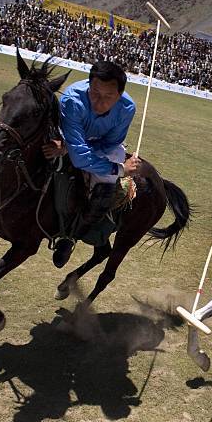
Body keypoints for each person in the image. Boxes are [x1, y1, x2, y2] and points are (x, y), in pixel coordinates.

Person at [42, 61, 141, 268]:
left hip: (96, 146)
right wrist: (121, 169)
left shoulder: (127, 107)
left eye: (108, 97)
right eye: (94, 93)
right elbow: (78, 157)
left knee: (107, 180)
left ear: (120, 94)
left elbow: (110, 143)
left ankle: (72, 236)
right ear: (88, 85)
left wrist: (115, 168)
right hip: (68, 139)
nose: (98, 102)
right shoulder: (72, 99)